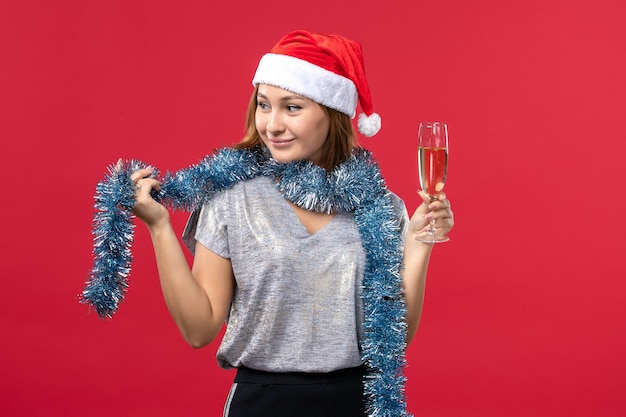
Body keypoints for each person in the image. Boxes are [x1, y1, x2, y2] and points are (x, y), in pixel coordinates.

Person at [129, 30, 453, 417]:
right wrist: (160, 227)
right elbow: (198, 330)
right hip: (264, 403)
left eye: (292, 107)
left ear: (331, 113)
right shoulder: (232, 198)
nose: (272, 125)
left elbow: (392, 339)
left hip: (358, 403)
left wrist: (418, 244)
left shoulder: (380, 207)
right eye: (264, 105)